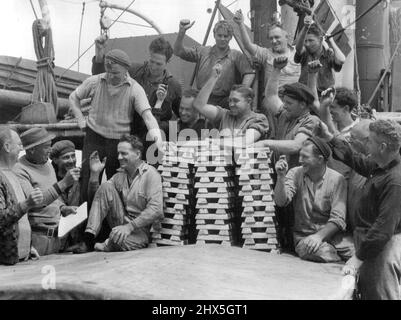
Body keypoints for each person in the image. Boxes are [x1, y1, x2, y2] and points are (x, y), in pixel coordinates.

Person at [319, 119, 401, 299]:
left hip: (381, 248)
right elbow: (356, 160)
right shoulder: (381, 166)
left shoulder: (395, 181)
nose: (365, 144)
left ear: (382, 147)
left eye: (369, 141)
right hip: (371, 244)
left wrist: (358, 258)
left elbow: (383, 228)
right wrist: (331, 138)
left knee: (380, 294)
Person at [69, 48, 163, 203]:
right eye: (109, 72)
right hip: (94, 138)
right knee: (88, 180)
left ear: (126, 70)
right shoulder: (95, 81)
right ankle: (85, 223)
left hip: (118, 143)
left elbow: (148, 117)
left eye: (116, 73)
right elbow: (73, 97)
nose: (111, 76)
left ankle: (111, 225)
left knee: (117, 185)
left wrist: (159, 142)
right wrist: (80, 119)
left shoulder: (135, 89)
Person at [72, 135, 163, 253]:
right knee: (106, 186)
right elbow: (98, 197)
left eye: (124, 153)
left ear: (138, 154)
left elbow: (156, 209)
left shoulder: (150, 174)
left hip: (140, 230)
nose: (119, 157)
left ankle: (105, 244)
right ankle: (88, 240)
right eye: (118, 153)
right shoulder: (119, 176)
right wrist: (95, 175)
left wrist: (130, 227)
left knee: (117, 242)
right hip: (121, 225)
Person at [274, 137, 354, 263]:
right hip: (305, 237)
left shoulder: (337, 179)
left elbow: (338, 218)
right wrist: (281, 177)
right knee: (319, 251)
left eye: (305, 157)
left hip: (334, 237)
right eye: (300, 156)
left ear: (320, 159)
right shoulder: (295, 173)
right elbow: (280, 201)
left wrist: (319, 236)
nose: (300, 161)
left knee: (361, 254)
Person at [92, 36, 182, 138]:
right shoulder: (133, 71)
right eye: (151, 61)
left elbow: (182, 115)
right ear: (149, 55)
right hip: (125, 134)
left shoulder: (174, 86)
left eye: (159, 64)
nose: (153, 66)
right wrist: (99, 54)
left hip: (151, 140)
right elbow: (105, 77)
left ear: (168, 62)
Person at [13, 128, 81, 256]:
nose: (50, 151)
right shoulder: (19, 170)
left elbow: (53, 198)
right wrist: (64, 183)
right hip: (37, 239)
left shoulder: (47, 164)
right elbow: (35, 202)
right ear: (32, 149)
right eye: (46, 147)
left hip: (56, 238)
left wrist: (63, 207)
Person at [252, 57, 320, 169]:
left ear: (302, 104)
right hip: (280, 173)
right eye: (284, 101)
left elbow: (296, 145)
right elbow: (271, 96)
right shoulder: (286, 114)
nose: (285, 105)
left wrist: (266, 143)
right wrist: (276, 69)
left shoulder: (312, 120)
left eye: (289, 103)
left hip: (298, 176)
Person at [174, 19, 255, 109]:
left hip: (224, 101)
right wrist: (181, 32)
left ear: (231, 37)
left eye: (226, 36)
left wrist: (241, 94)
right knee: (183, 104)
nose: (222, 39)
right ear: (214, 35)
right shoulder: (202, 51)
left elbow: (249, 72)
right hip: (201, 97)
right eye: (219, 35)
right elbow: (178, 51)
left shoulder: (236, 55)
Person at [192, 64, 269, 145]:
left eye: (236, 101)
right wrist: (213, 77)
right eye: (230, 100)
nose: (231, 104)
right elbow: (199, 105)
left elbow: (245, 142)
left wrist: (213, 142)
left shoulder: (259, 119)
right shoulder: (224, 115)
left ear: (249, 102)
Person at [0, 127, 43, 265]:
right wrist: (27, 204)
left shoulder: (12, 173)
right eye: (18, 144)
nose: (21, 148)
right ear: (7, 146)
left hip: (20, 259)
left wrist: (27, 246)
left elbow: (20, 220)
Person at [233, 9, 300, 88]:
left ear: (286, 37)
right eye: (271, 38)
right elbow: (247, 45)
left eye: (277, 37)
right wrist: (241, 24)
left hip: (296, 97)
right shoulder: (266, 54)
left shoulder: (298, 52)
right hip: (273, 97)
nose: (274, 41)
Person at [295, 16, 345, 94]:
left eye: (311, 40)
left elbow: (341, 60)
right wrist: (305, 28)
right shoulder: (305, 52)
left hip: (324, 94)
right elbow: (298, 49)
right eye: (305, 41)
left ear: (321, 39)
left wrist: (331, 41)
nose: (307, 44)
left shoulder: (329, 53)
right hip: (305, 94)